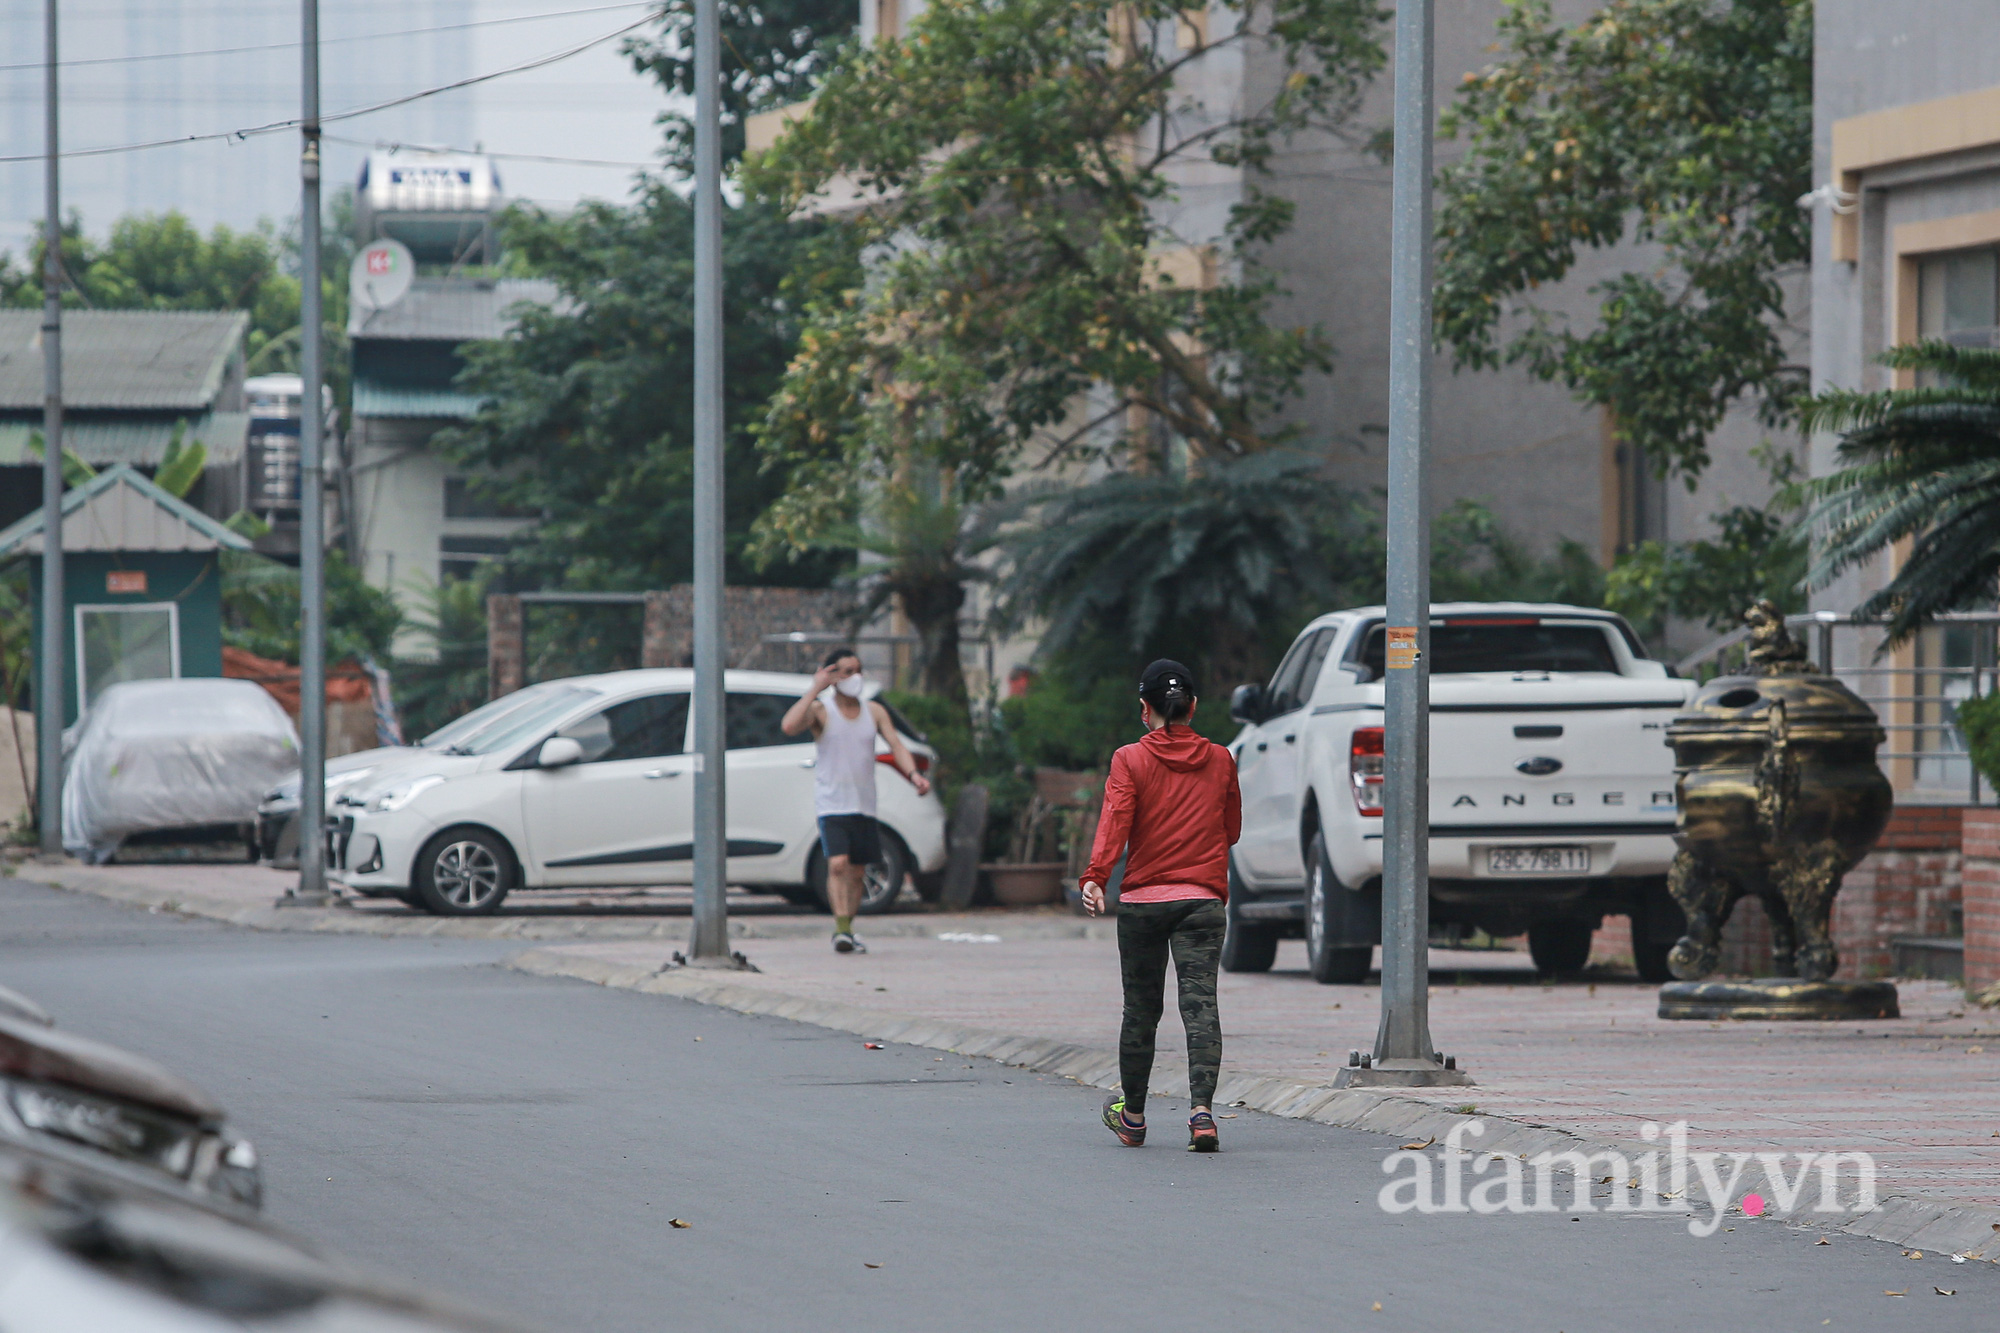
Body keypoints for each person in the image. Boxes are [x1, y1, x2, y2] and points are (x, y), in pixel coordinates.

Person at [1080, 659, 1240, 1153]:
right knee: (1201, 1006)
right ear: (1193, 707)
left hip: (1143, 903)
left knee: (1141, 1010)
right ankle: (1202, 1115)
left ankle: (1132, 1117)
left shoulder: (1128, 759)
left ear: (1145, 709)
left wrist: (1096, 876)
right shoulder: (1222, 759)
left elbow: (1117, 820)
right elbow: (1232, 830)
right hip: (1203, 900)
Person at [781, 647, 931, 954]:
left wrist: (913, 774)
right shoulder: (822, 711)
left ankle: (849, 926)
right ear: (833, 677)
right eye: (847, 672)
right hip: (832, 803)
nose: (856, 677)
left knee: (858, 871)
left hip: (863, 803)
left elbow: (896, 745)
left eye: (858, 670)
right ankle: (841, 930)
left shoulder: (874, 712)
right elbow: (789, 725)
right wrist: (814, 689)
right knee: (837, 864)